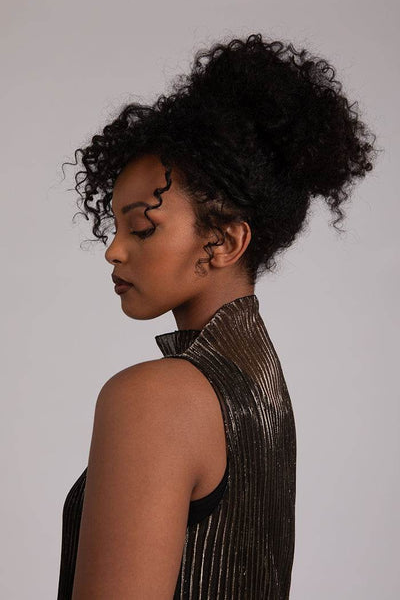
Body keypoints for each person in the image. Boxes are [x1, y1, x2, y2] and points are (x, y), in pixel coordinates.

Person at [57, 33, 379, 599]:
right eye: (114, 226)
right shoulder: (262, 385)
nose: (113, 250)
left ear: (224, 242)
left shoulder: (154, 398)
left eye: (142, 227)